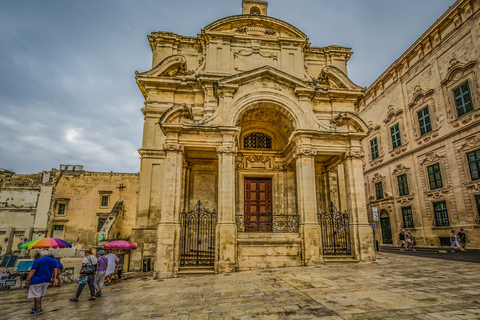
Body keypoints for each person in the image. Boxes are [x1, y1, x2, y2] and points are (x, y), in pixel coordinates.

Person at [25, 250, 58, 316]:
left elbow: (33, 270)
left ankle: (38, 309)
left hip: (37, 280)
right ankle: (35, 307)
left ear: (41, 255)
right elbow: (55, 270)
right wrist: (53, 278)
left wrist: (27, 280)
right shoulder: (53, 260)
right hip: (47, 280)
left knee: (37, 295)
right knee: (39, 295)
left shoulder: (38, 260)